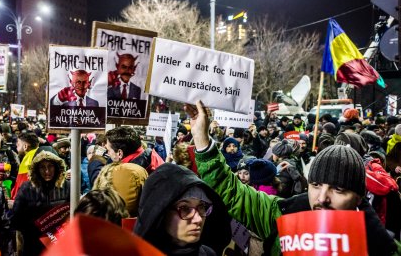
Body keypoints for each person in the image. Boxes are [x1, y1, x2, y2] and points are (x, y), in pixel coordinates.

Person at [186, 100, 401, 255]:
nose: (321, 197)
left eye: (338, 189)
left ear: (358, 196)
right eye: (316, 185)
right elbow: (230, 191)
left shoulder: (381, 247)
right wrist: (202, 141)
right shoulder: (281, 214)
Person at [134, 163, 231, 256]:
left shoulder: (209, 254)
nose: (198, 219)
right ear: (160, 212)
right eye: (184, 208)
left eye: (201, 206)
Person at [12, 150, 70, 256]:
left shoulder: (67, 186)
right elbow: (16, 219)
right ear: (36, 169)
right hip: (32, 244)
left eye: (50, 166)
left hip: (59, 243)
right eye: (42, 167)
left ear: (57, 167)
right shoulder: (26, 188)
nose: (47, 171)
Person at [11, 132, 40, 199]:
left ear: (25, 146)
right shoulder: (39, 154)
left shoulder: (28, 159)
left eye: (18, 144)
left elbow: (22, 185)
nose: (16, 146)